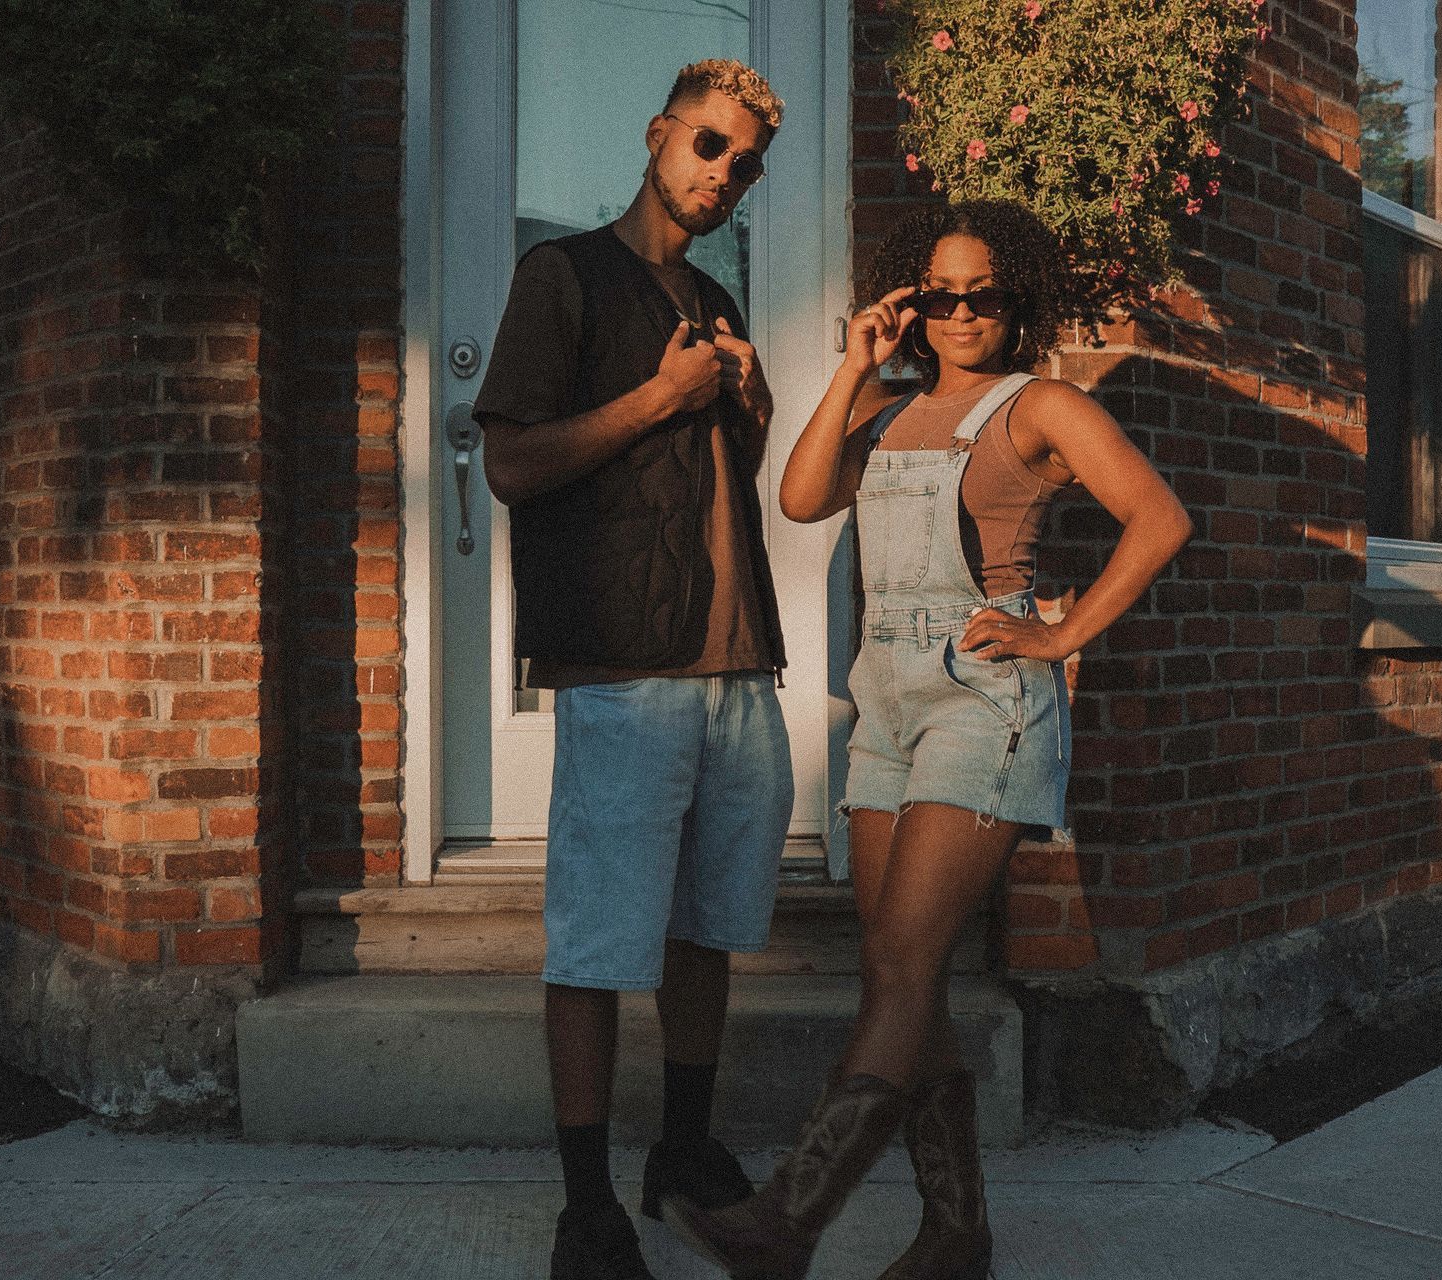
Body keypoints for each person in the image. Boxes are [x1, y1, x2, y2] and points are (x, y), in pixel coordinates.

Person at [662, 201, 1194, 1279]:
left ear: (1017, 302)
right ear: (914, 298)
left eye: (982, 294)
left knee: (905, 964)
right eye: (939, 294)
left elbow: (1161, 517)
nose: (959, 312)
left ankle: (785, 1224)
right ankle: (957, 1233)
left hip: (980, 703)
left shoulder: (1036, 405)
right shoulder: (892, 413)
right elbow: (805, 493)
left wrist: (1058, 631)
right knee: (896, 976)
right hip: (884, 710)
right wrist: (858, 365)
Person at [472, 59, 792, 1280]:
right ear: (661, 134)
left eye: (746, 163)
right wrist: (658, 398)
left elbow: (719, 490)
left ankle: (687, 1150)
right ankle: (586, 1207)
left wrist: (747, 413)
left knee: (706, 929)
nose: (725, 175)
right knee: (599, 941)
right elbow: (511, 467)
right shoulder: (561, 278)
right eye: (710, 146)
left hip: (736, 661)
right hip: (623, 666)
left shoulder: (716, 296)